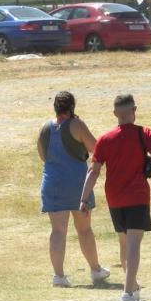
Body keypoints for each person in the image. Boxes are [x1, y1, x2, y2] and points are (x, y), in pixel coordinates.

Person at [80, 94, 151, 301]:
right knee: (135, 243)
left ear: (115, 113)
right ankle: (127, 292)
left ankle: (133, 285)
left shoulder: (105, 139)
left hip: (115, 198)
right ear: (134, 109)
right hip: (137, 195)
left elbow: (93, 171)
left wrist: (83, 199)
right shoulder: (144, 133)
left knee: (124, 241)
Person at [38, 91, 108, 288]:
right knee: (84, 229)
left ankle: (59, 276)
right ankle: (95, 270)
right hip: (77, 183)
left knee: (58, 231)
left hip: (51, 182)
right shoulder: (77, 124)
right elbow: (96, 147)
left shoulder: (46, 127)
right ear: (71, 107)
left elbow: (43, 155)